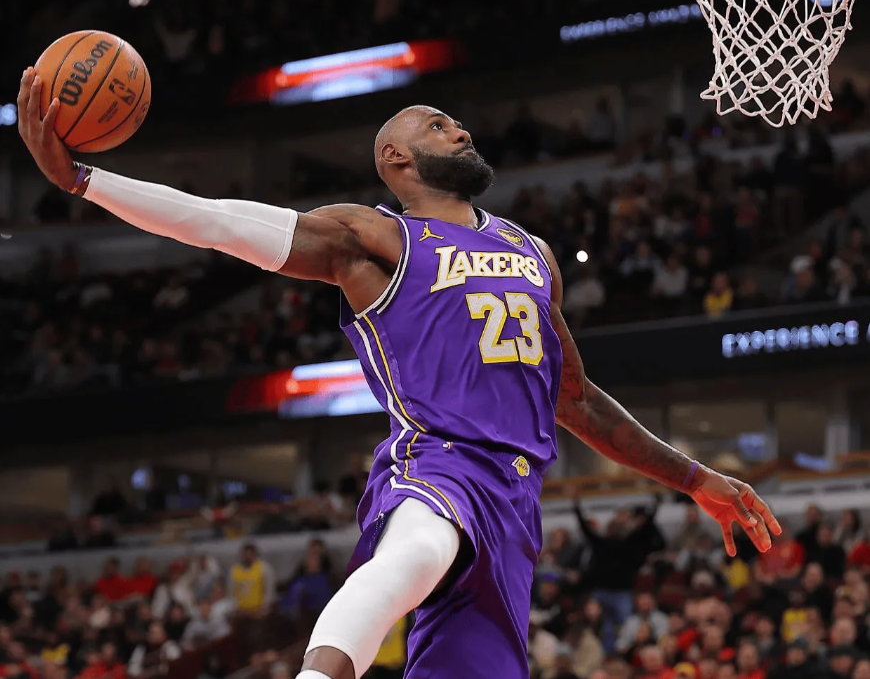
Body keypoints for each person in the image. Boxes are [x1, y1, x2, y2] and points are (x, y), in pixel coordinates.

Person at [17, 79, 782, 679]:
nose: (462, 131)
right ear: (396, 159)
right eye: (439, 124)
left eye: (459, 123)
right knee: (415, 550)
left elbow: (577, 400)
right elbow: (217, 221)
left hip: (515, 505)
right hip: (437, 460)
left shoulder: (533, 252)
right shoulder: (375, 237)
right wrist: (85, 178)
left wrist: (695, 478)